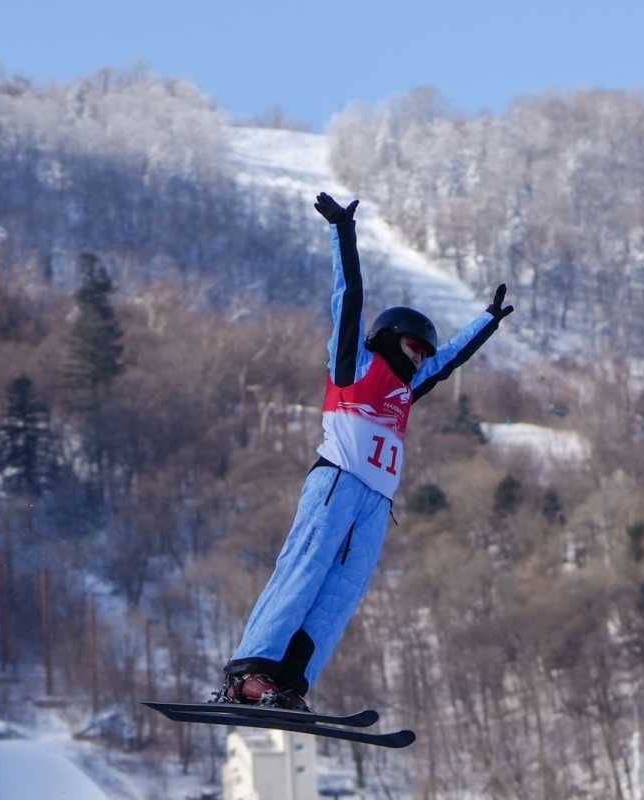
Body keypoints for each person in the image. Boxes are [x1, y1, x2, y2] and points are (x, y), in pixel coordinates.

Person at [214, 192, 515, 711]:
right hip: (336, 484)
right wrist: (343, 232)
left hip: (375, 505)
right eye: (412, 346)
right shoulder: (355, 364)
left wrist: (486, 322)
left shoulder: (406, 391)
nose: (419, 357)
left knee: (340, 594)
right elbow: (348, 297)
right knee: (304, 569)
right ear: (388, 337)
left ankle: (287, 683)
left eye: (422, 351)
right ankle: (248, 673)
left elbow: (447, 363)